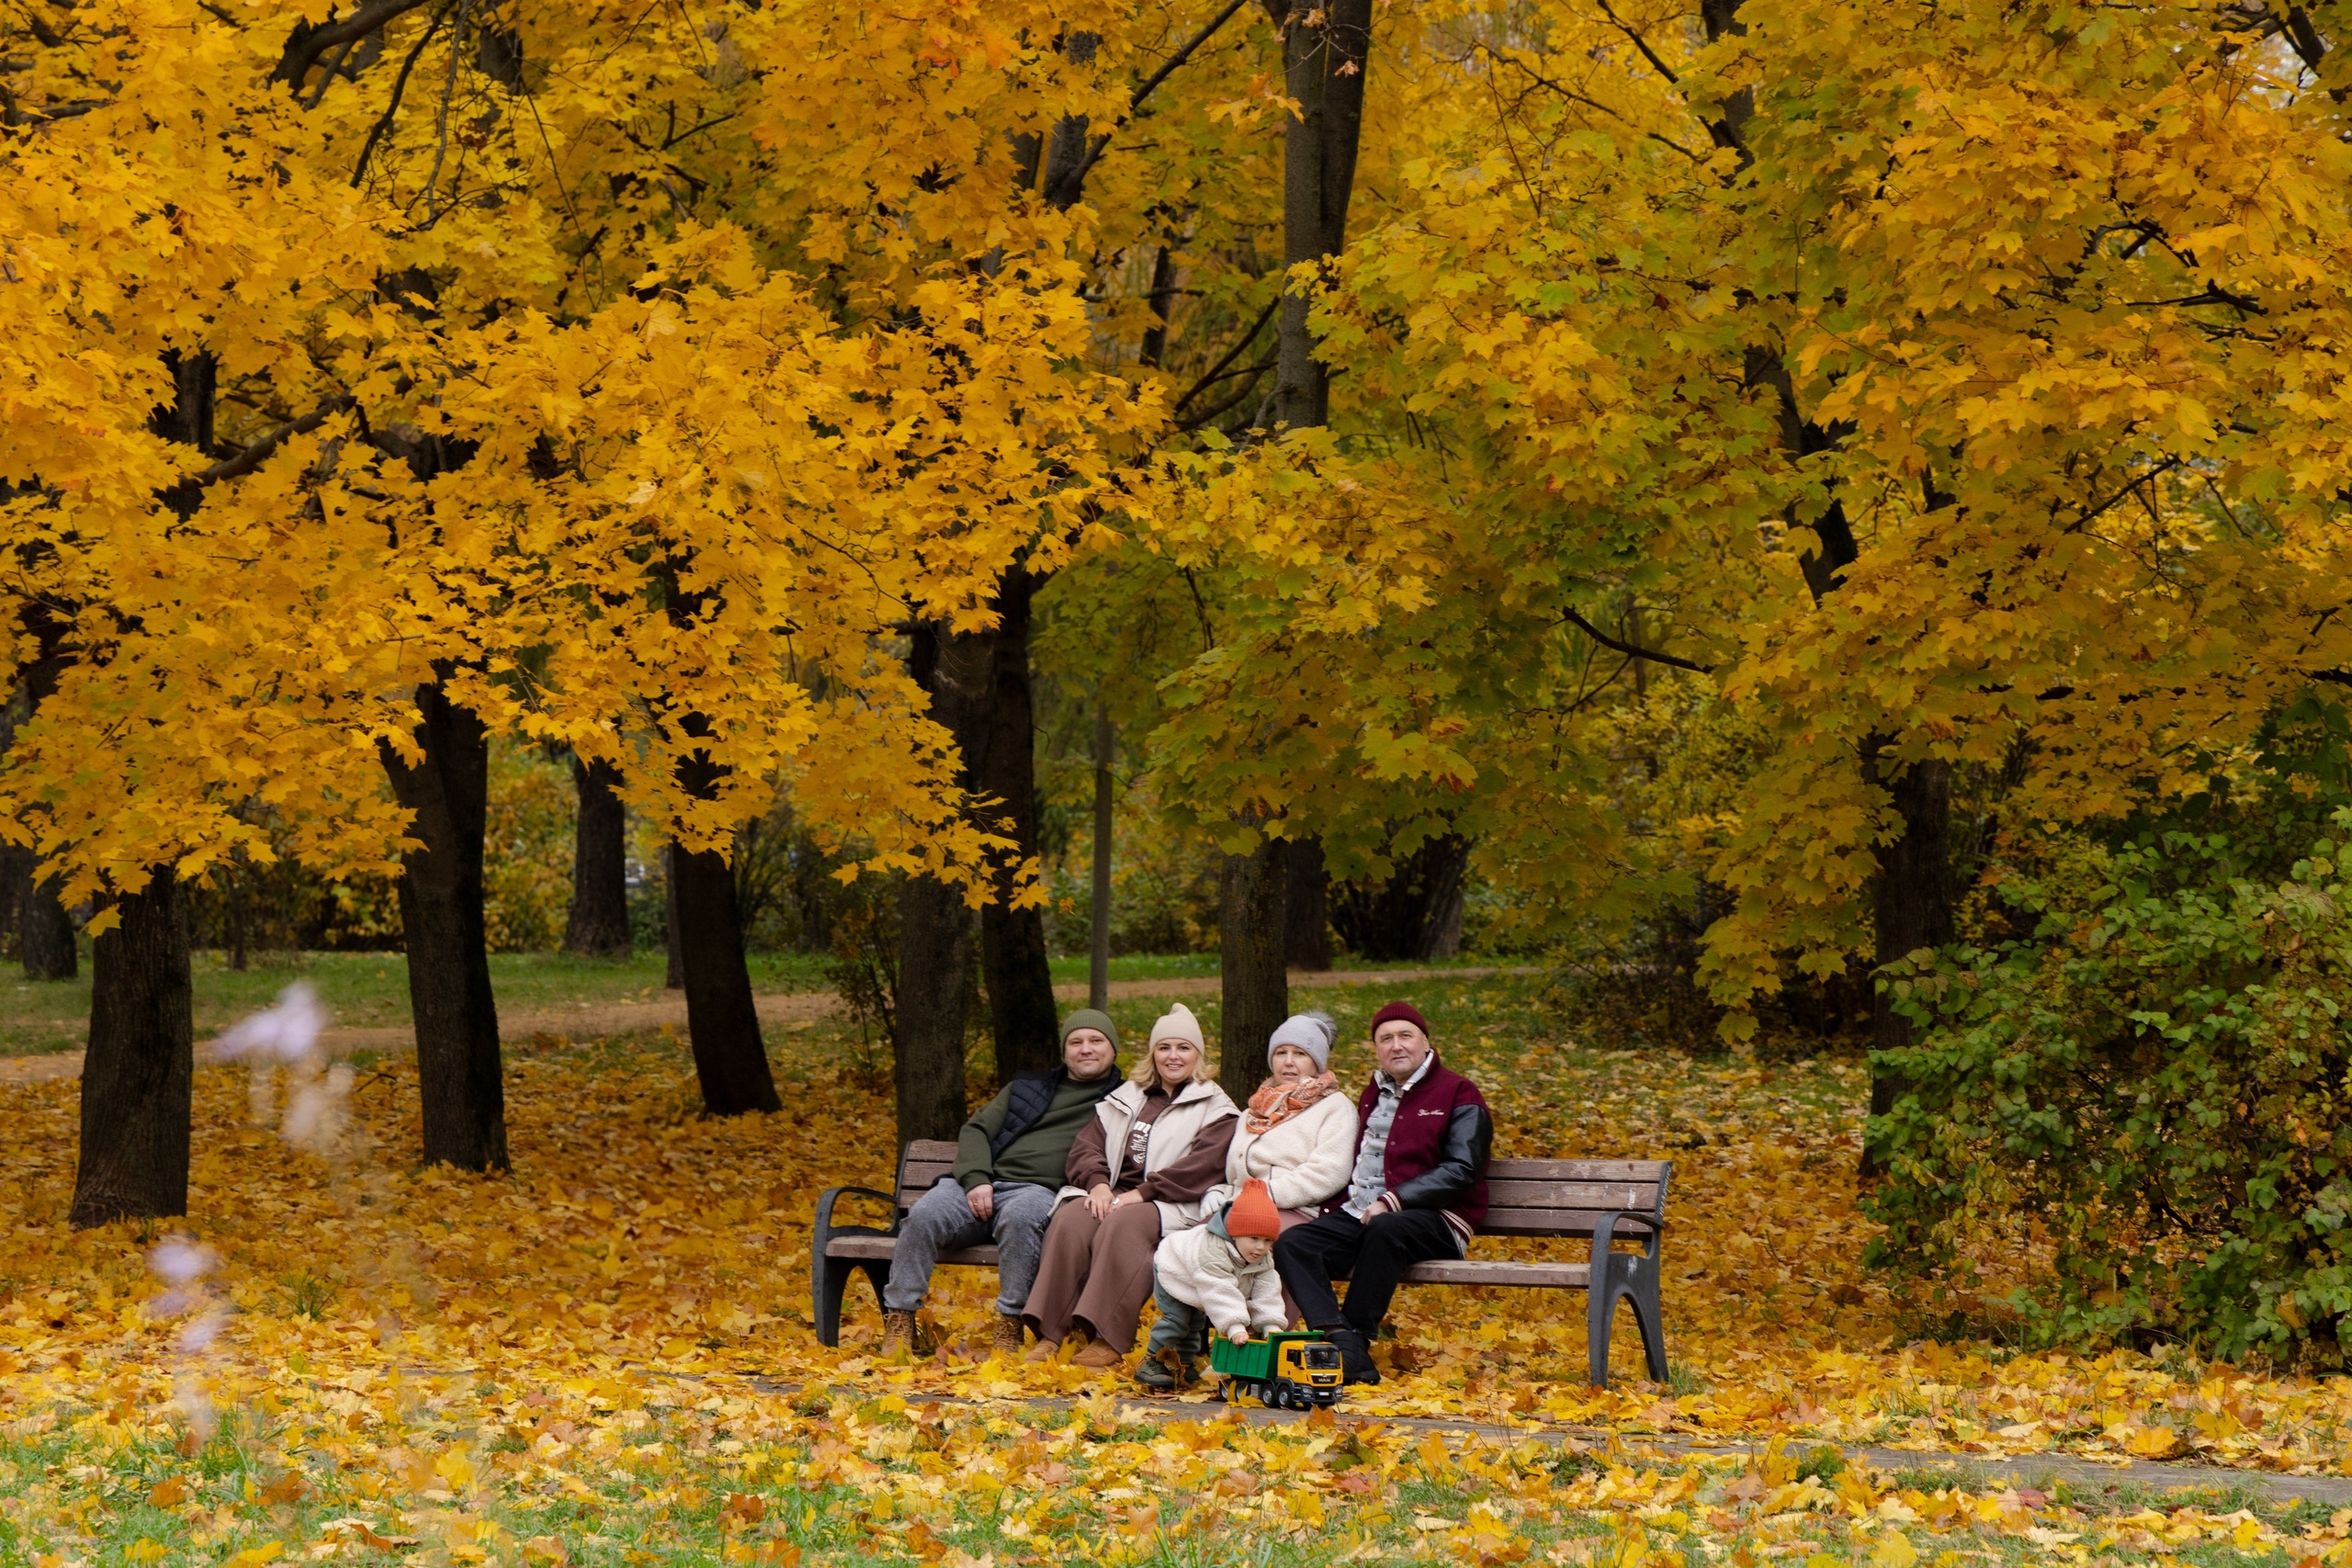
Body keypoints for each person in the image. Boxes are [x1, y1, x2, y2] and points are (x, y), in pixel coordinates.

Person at [878, 1010, 1123, 1359]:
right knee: (924, 1214)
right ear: (1065, 1050)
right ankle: (900, 1320)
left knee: (1022, 1218)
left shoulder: (1127, 1100)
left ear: (1113, 1049)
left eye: (1096, 1041)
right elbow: (976, 1130)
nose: (1086, 1049)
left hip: (1041, 1191)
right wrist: (977, 1179)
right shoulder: (1027, 1088)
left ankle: (1010, 1325)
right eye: (1076, 1042)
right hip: (982, 1183)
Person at [1272, 1000, 1491, 1386]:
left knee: (1386, 1227)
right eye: (1385, 1039)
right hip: (1364, 1215)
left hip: (1436, 1220)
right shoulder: (1373, 1092)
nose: (1396, 1046)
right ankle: (1339, 1338)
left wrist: (1395, 1199)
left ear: (1426, 1042)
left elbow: (1463, 1170)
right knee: (1294, 1243)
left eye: (1405, 1036)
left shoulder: (1458, 1092)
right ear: (1377, 1048)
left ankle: (1356, 1335)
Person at [1023, 1002, 1239, 1368]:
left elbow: (1203, 1166)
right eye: (1164, 1047)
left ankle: (1107, 1337)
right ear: (1153, 1053)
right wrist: (1098, 1185)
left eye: (1183, 1048)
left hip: (1172, 1203)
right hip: (1115, 1194)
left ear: (1198, 1055)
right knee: (1071, 1220)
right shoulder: (1130, 1096)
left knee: (1123, 1225)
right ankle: (1050, 1334)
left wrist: (1143, 1193)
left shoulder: (1215, 1106)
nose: (1173, 1056)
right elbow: (1086, 1146)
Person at [1136, 1179, 1286, 1391]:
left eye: (1268, 1240)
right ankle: (1150, 1362)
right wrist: (1235, 1327)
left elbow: (1268, 1291)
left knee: (1195, 1324)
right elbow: (1219, 1289)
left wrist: (1271, 1326)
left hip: (1198, 1279)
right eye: (1253, 1238)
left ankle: (1183, 1365)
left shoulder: (1262, 1258)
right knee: (1177, 1319)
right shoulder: (1213, 1252)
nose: (1261, 1247)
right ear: (1235, 1232)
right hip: (1175, 1269)